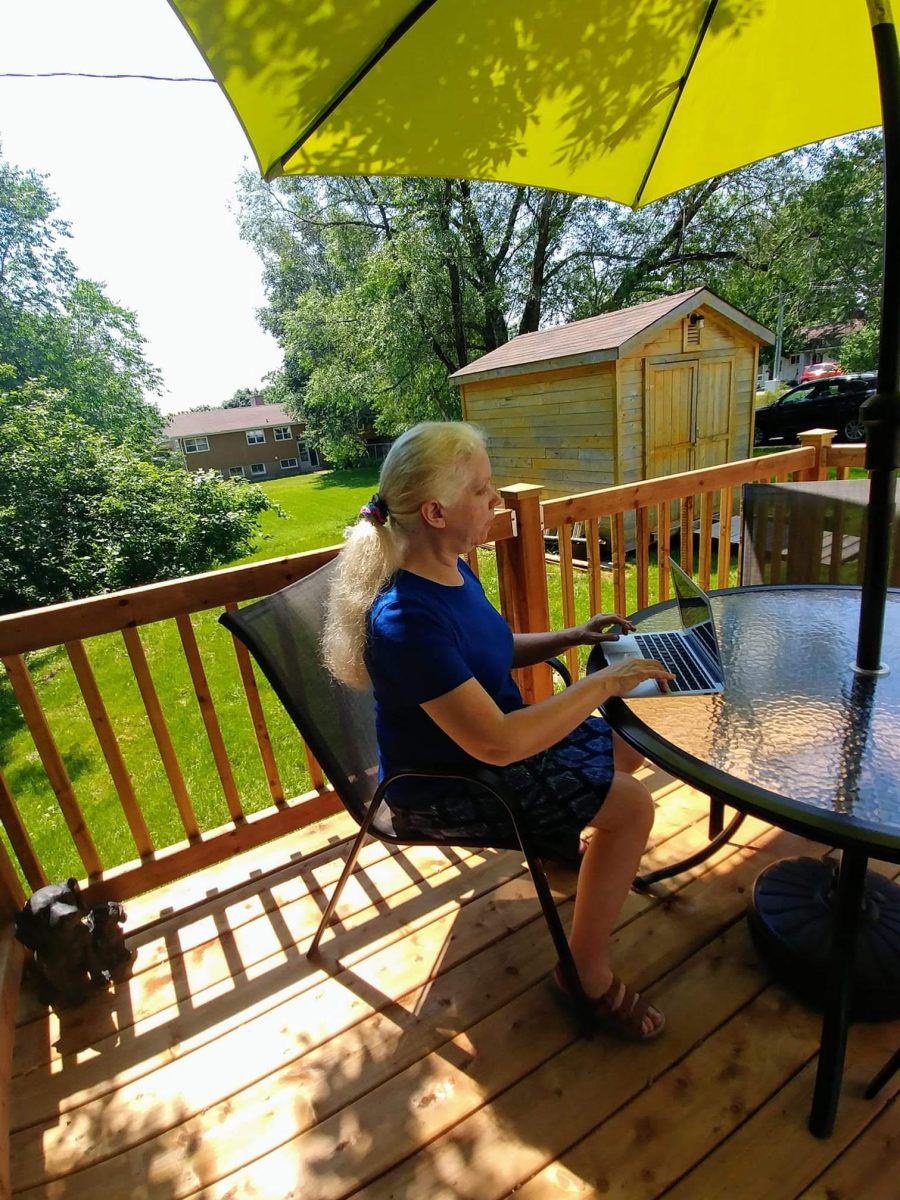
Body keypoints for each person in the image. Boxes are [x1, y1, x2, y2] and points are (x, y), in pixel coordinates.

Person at [323, 421, 674, 1040]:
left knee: (628, 744)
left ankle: (562, 838)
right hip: (450, 786)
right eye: (482, 490)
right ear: (435, 512)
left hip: (495, 753)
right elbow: (499, 743)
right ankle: (584, 975)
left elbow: (492, 646)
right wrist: (601, 684)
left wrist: (570, 637)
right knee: (631, 805)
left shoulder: (453, 570)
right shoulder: (405, 621)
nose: (496, 500)